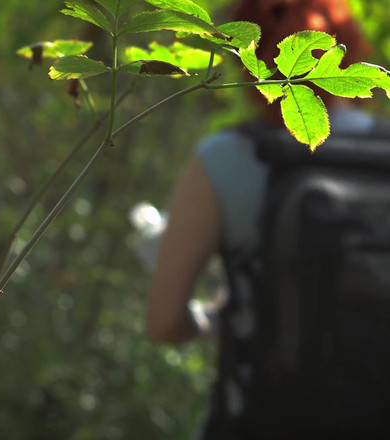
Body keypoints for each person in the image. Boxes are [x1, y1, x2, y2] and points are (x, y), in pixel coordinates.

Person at [144, 0, 379, 436]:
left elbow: (164, 323)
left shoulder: (225, 158)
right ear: (348, 45)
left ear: (247, 56)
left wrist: (221, 316)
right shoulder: (383, 151)